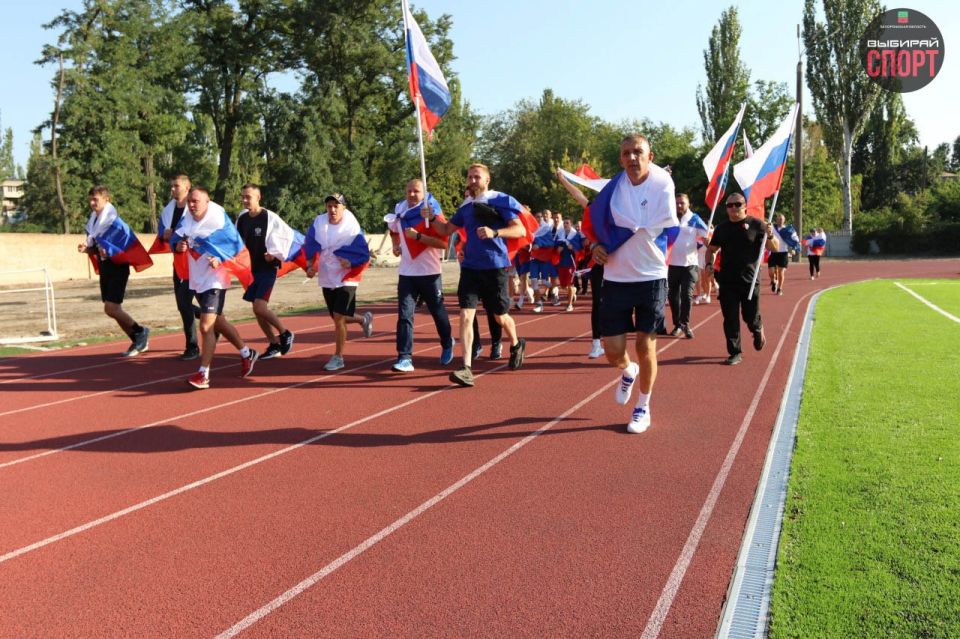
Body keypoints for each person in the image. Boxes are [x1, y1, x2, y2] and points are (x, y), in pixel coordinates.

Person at [586, 135, 677, 433]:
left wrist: (614, 234)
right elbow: (593, 223)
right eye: (626, 153)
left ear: (650, 156)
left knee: (645, 344)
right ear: (620, 159)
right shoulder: (611, 190)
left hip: (651, 276)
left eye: (638, 152)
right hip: (616, 277)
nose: (632, 157)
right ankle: (628, 371)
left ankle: (643, 406)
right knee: (613, 351)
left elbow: (643, 223)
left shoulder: (662, 183)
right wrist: (596, 245)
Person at [424, 163, 528, 387]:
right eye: (469, 177)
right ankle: (466, 368)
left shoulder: (500, 201)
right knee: (465, 315)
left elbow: (520, 230)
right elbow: (445, 230)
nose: (472, 181)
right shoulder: (466, 206)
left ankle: (516, 343)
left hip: (495, 267)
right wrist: (432, 218)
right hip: (471, 268)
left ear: (487, 180)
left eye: (476, 177)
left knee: (500, 316)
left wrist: (495, 232)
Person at [170, 187, 259, 388]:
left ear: (207, 201)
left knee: (205, 326)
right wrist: (178, 246)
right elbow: (176, 239)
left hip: (215, 280)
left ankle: (203, 374)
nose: (191, 205)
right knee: (219, 322)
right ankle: (247, 353)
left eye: (196, 201)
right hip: (197, 279)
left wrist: (220, 258)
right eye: (190, 201)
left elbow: (234, 246)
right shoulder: (186, 219)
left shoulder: (218, 221)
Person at [385, 178, 454, 372]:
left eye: (416, 191)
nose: (412, 194)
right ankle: (404, 357)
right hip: (406, 273)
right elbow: (393, 230)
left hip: (430, 273)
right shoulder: (400, 210)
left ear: (424, 193)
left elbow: (444, 244)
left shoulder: (430, 212)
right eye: (409, 191)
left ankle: (447, 342)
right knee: (405, 315)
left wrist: (418, 236)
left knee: (437, 312)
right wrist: (396, 245)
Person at [704, 193, 779, 366]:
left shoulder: (757, 225)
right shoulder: (722, 228)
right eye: (729, 205)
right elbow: (711, 249)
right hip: (727, 280)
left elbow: (774, 248)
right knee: (730, 318)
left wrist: (770, 235)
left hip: (750, 281)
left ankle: (757, 328)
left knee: (749, 316)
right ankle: (735, 352)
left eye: (737, 204)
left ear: (745, 206)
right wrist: (709, 264)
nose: (733, 208)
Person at [77, 185, 152, 357]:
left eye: (95, 199)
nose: (92, 203)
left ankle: (140, 331)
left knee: (111, 308)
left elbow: (126, 246)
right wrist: (86, 249)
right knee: (111, 309)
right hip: (105, 267)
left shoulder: (115, 223)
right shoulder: (93, 222)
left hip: (118, 267)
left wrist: (110, 251)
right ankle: (137, 339)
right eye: (90, 199)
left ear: (106, 199)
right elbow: (95, 248)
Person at [304, 193, 373, 371]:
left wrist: (351, 262)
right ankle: (363, 319)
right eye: (329, 206)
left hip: (347, 276)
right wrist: (310, 266)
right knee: (337, 318)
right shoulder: (319, 223)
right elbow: (310, 244)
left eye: (336, 206)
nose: (332, 209)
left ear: (344, 207)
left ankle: (338, 357)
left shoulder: (351, 226)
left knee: (339, 317)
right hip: (327, 275)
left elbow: (363, 252)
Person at [235, 183, 297, 360]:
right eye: (243, 197)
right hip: (251, 270)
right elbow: (235, 240)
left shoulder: (269, 217)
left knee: (259, 307)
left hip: (267, 269)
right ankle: (273, 343)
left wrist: (274, 255)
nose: (245, 200)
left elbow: (285, 238)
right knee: (257, 310)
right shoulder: (242, 218)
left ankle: (285, 333)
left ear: (258, 197)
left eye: (248, 197)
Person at [556, 168, 603, 358]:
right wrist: (563, 179)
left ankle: (615, 338)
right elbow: (579, 195)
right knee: (598, 303)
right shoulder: (594, 210)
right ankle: (596, 343)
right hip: (600, 262)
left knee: (619, 304)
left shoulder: (623, 211)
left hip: (622, 264)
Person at [151, 174, 199, 360]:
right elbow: (162, 234)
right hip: (178, 263)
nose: (172, 189)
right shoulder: (168, 210)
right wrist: (165, 236)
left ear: (187, 187)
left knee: (186, 303)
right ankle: (208, 322)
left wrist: (182, 241)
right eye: (171, 186)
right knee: (183, 304)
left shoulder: (196, 207)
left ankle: (194, 344)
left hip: (197, 263)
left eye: (176, 186)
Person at [666, 193, 709, 338]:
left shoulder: (694, 219)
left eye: (682, 203)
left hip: (690, 265)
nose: (679, 205)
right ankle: (677, 325)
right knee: (673, 297)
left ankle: (685, 324)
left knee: (687, 294)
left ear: (688, 204)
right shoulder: (670, 218)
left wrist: (709, 242)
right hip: (673, 264)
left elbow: (706, 235)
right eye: (677, 203)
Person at [768, 214, 800, 295]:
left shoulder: (788, 230)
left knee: (781, 272)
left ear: (784, 220)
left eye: (781, 219)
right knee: (771, 272)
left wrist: (793, 249)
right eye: (779, 219)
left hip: (783, 253)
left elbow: (795, 240)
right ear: (776, 220)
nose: (780, 221)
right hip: (773, 252)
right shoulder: (772, 228)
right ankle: (773, 281)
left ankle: (780, 289)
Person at [555, 218, 582, 312]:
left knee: (570, 284)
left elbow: (579, 247)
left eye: (567, 223)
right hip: (562, 263)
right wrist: (558, 250)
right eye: (564, 223)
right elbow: (556, 247)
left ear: (571, 224)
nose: (565, 225)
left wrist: (573, 247)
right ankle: (573, 291)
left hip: (571, 263)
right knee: (563, 286)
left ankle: (569, 305)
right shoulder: (560, 234)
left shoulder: (575, 235)